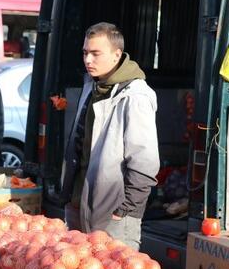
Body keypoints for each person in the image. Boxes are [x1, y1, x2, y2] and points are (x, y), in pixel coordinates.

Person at [62, 22, 159, 249]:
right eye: (85, 53)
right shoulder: (92, 86)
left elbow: (145, 161)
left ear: (116, 55)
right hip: (80, 204)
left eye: (96, 54)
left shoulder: (135, 96)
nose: (88, 60)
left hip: (114, 216)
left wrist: (125, 210)